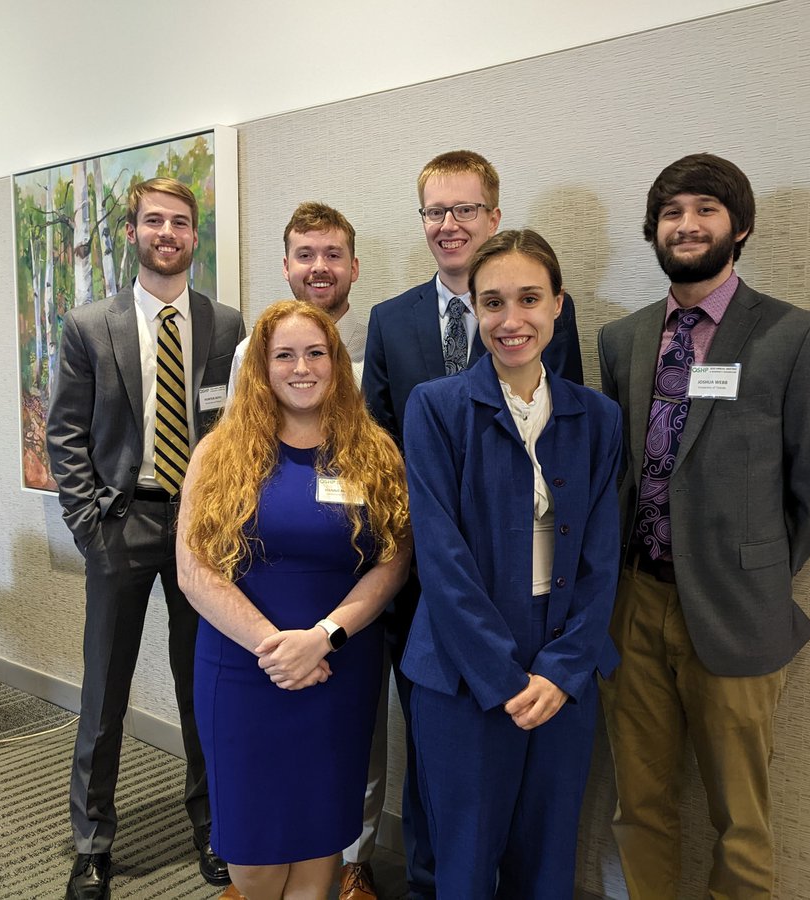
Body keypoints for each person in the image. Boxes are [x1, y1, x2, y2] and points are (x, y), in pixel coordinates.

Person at [597, 153, 810, 898]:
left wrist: (756, 564)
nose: (688, 225)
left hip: (739, 613)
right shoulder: (624, 340)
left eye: (706, 209)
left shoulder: (796, 336)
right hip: (635, 605)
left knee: (741, 819)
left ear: (739, 226)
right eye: (673, 212)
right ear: (653, 230)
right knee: (638, 808)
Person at [358, 149, 584, 900]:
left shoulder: (554, 335)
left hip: (537, 603)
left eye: (464, 210)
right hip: (429, 594)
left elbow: (567, 469)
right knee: (444, 792)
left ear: (493, 215)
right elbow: (382, 458)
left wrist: (554, 654)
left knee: (530, 824)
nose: (449, 225)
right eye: (435, 212)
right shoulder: (392, 323)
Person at [401, 229, 622, 899]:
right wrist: (501, 676)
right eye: (492, 302)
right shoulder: (435, 408)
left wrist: (560, 670)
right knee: (464, 864)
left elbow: (600, 557)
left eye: (529, 299)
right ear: (474, 310)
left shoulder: (599, 417)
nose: (511, 320)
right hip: (464, 670)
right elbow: (441, 560)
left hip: (563, 666)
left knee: (548, 861)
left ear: (559, 305)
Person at [47, 176, 245, 899]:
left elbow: (234, 428)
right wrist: (88, 525)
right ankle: (92, 844)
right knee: (105, 693)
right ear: (132, 232)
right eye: (154, 221)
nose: (169, 232)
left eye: (182, 222)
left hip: (202, 531)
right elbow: (64, 433)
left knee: (206, 691)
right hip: (121, 524)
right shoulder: (88, 325)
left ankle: (214, 829)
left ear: (197, 237)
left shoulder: (225, 326)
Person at [177, 300, 412, 900]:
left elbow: (394, 562)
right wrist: (276, 649)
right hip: (245, 669)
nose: (301, 367)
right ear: (261, 365)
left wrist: (321, 639)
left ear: (337, 362)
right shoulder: (219, 452)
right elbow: (193, 569)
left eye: (316, 353)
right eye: (284, 354)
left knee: (320, 842)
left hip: (339, 668)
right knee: (253, 855)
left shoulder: (375, 451)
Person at [228, 202, 366, 385]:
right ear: (286, 268)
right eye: (305, 255)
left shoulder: (381, 350)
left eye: (333, 255)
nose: (319, 267)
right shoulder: (249, 354)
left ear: (354, 268)